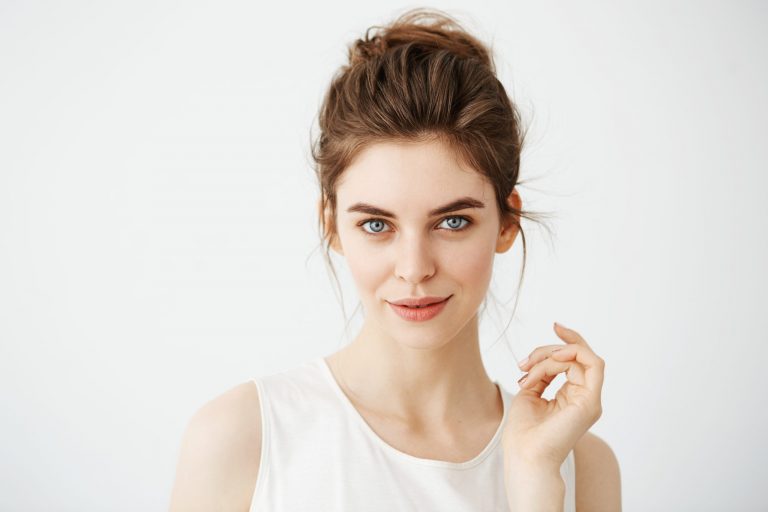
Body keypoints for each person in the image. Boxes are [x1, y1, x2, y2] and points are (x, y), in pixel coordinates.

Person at [169, 7, 621, 511]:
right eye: (377, 225)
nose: (413, 267)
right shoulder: (241, 439)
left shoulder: (577, 461)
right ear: (331, 225)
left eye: (451, 222)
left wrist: (535, 478)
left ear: (507, 221)